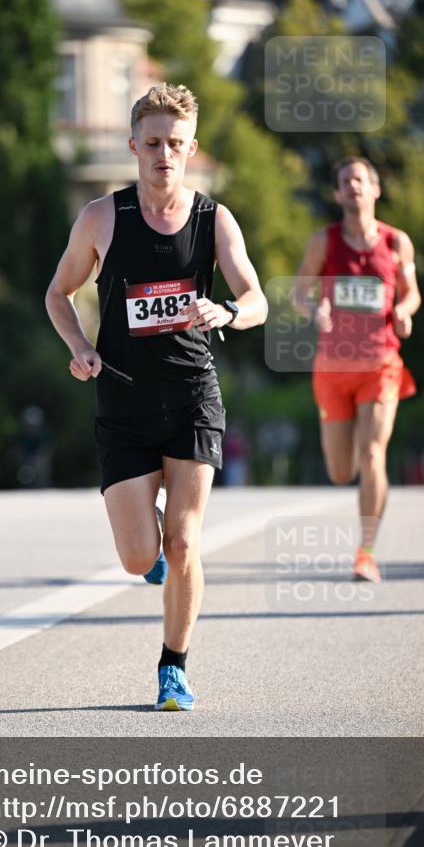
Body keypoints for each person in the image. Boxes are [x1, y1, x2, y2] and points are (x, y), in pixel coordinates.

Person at [45, 82, 267, 710]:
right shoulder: (100, 218)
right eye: (152, 143)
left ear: (191, 148)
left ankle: (174, 667)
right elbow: (58, 293)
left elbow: (257, 299)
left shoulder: (213, 220)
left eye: (174, 143)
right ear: (133, 146)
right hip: (122, 402)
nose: (163, 154)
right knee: (139, 555)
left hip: (193, 395)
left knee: (186, 541)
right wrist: (81, 347)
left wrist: (227, 312)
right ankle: (153, 555)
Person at [294, 156, 421, 583]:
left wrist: (403, 311)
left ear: (375, 189)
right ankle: (362, 533)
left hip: (381, 362)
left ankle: (366, 553)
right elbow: (299, 292)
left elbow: (412, 292)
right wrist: (315, 308)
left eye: (360, 180)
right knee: (341, 471)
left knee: (372, 453)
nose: (353, 186)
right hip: (333, 367)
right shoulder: (323, 242)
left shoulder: (397, 242)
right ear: (337, 192)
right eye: (345, 181)